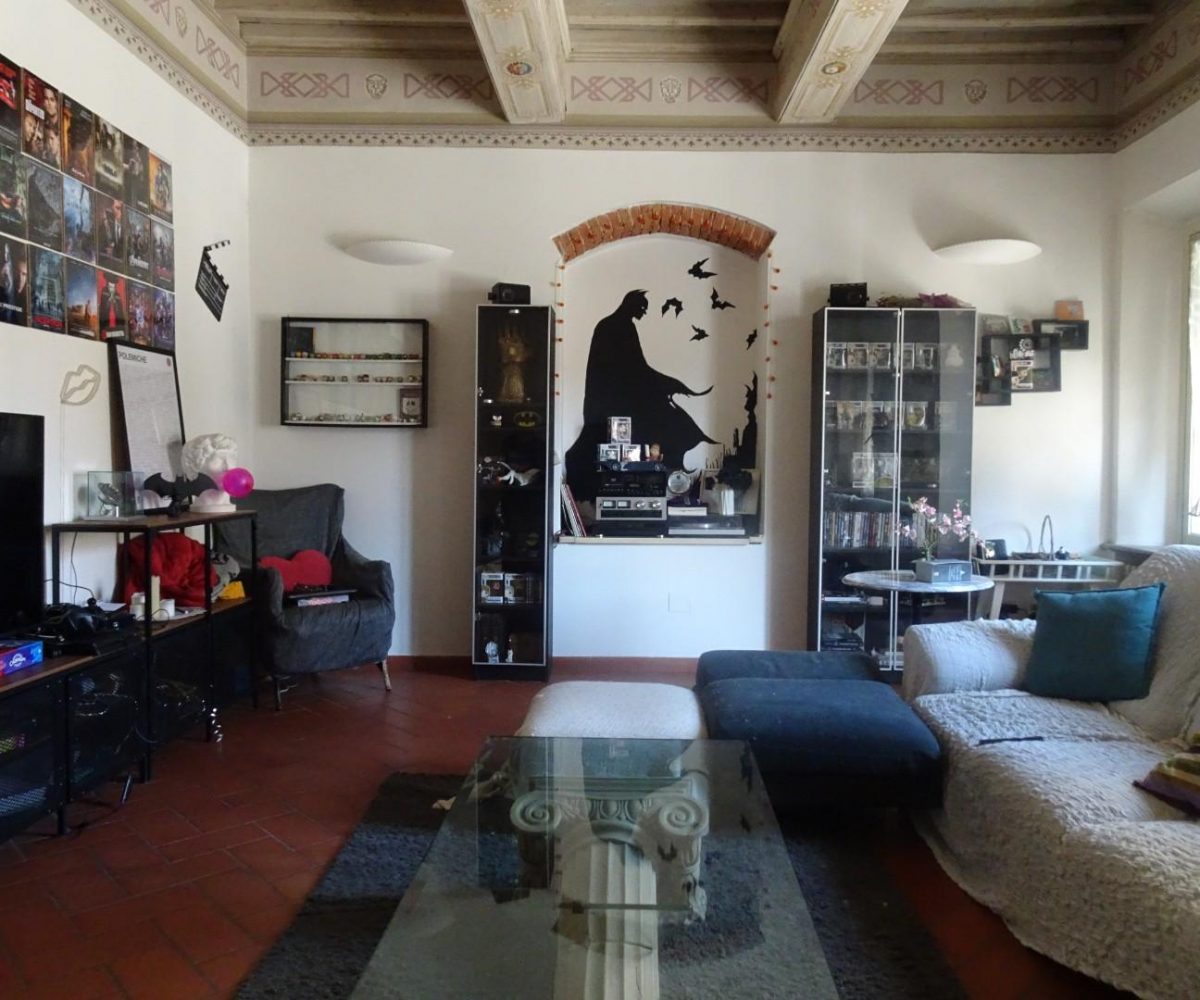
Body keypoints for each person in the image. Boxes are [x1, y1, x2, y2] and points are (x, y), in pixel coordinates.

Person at [565, 289, 715, 501]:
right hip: (609, 402)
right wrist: (666, 382)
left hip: (613, 399)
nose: (644, 312)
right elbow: (632, 367)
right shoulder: (616, 326)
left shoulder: (616, 325)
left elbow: (635, 366)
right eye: (642, 308)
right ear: (631, 304)